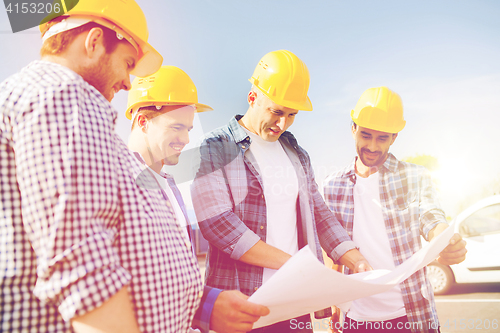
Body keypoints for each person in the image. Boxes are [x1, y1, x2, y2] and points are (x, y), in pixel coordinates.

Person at [191, 50, 372, 332]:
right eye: (276, 112)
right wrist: (296, 265)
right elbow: (218, 224)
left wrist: (354, 258)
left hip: (294, 303)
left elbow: (318, 213)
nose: (282, 124)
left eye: (291, 115)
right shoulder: (215, 146)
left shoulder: (295, 152)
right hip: (243, 304)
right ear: (253, 98)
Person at [125, 65, 269, 333]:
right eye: (176, 128)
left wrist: (204, 310)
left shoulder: (170, 186)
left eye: (188, 129)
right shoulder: (117, 180)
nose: (186, 139)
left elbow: (173, 277)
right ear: (143, 122)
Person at [323, 86, 467, 333]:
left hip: (411, 314)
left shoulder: (414, 176)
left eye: (382, 138)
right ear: (353, 129)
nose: (372, 146)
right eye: (365, 135)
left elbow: (431, 215)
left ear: (394, 137)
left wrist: (444, 239)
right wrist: (333, 301)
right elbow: (334, 251)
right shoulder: (333, 185)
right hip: (357, 319)